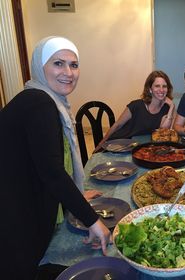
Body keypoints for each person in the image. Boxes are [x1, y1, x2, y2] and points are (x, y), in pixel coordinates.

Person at [0, 36, 111, 279]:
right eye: (58, 63)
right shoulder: (39, 103)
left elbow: (44, 161)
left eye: (73, 64)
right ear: (40, 66)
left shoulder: (41, 98)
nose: (68, 73)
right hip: (14, 216)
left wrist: (76, 194)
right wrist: (93, 221)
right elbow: (52, 172)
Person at [95, 70, 175, 150]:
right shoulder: (136, 106)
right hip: (119, 144)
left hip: (138, 148)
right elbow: (117, 125)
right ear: (150, 89)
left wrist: (172, 106)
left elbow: (163, 132)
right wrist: (100, 145)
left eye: (164, 86)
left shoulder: (166, 108)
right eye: (157, 86)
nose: (161, 90)